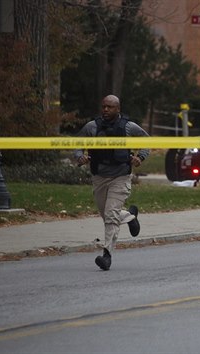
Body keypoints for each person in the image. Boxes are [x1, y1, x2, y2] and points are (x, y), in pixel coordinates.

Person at [74, 95, 150, 270]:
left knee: (110, 215)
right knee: (107, 214)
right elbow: (77, 143)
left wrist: (141, 156)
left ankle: (106, 255)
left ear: (118, 109)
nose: (105, 110)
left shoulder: (129, 127)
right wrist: (80, 157)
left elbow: (147, 140)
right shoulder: (92, 126)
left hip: (121, 176)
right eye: (103, 107)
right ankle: (130, 216)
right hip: (99, 177)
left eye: (109, 107)